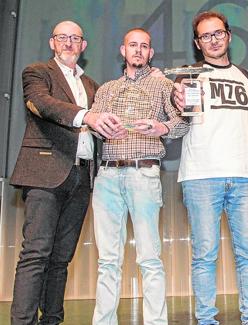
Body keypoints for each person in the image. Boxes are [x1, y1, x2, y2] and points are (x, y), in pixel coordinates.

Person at [10, 20, 123, 325]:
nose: (69, 43)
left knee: (61, 258)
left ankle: (53, 320)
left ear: (84, 46)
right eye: (63, 38)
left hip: (82, 177)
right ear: (52, 43)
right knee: (36, 253)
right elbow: (41, 104)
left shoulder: (92, 86)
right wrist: (88, 115)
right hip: (45, 172)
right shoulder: (37, 72)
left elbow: (104, 125)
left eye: (75, 39)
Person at [89, 28, 189, 325]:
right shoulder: (106, 89)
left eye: (144, 46)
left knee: (149, 259)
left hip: (143, 173)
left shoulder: (162, 85)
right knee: (107, 261)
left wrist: (162, 128)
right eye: (133, 45)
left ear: (150, 53)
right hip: (107, 176)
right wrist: (101, 127)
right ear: (123, 50)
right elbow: (93, 124)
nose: (138, 50)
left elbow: (183, 123)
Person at [171, 11, 248, 325]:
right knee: (205, 256)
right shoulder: (188, 76)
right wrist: (177, 98)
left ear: (228, 35)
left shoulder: (245, 76)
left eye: (218, 33)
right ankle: (207, 320)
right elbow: (181, 114)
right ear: (198, 43)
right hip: (201, 176)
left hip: (244, 175)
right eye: (205, 36)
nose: (213, 40)